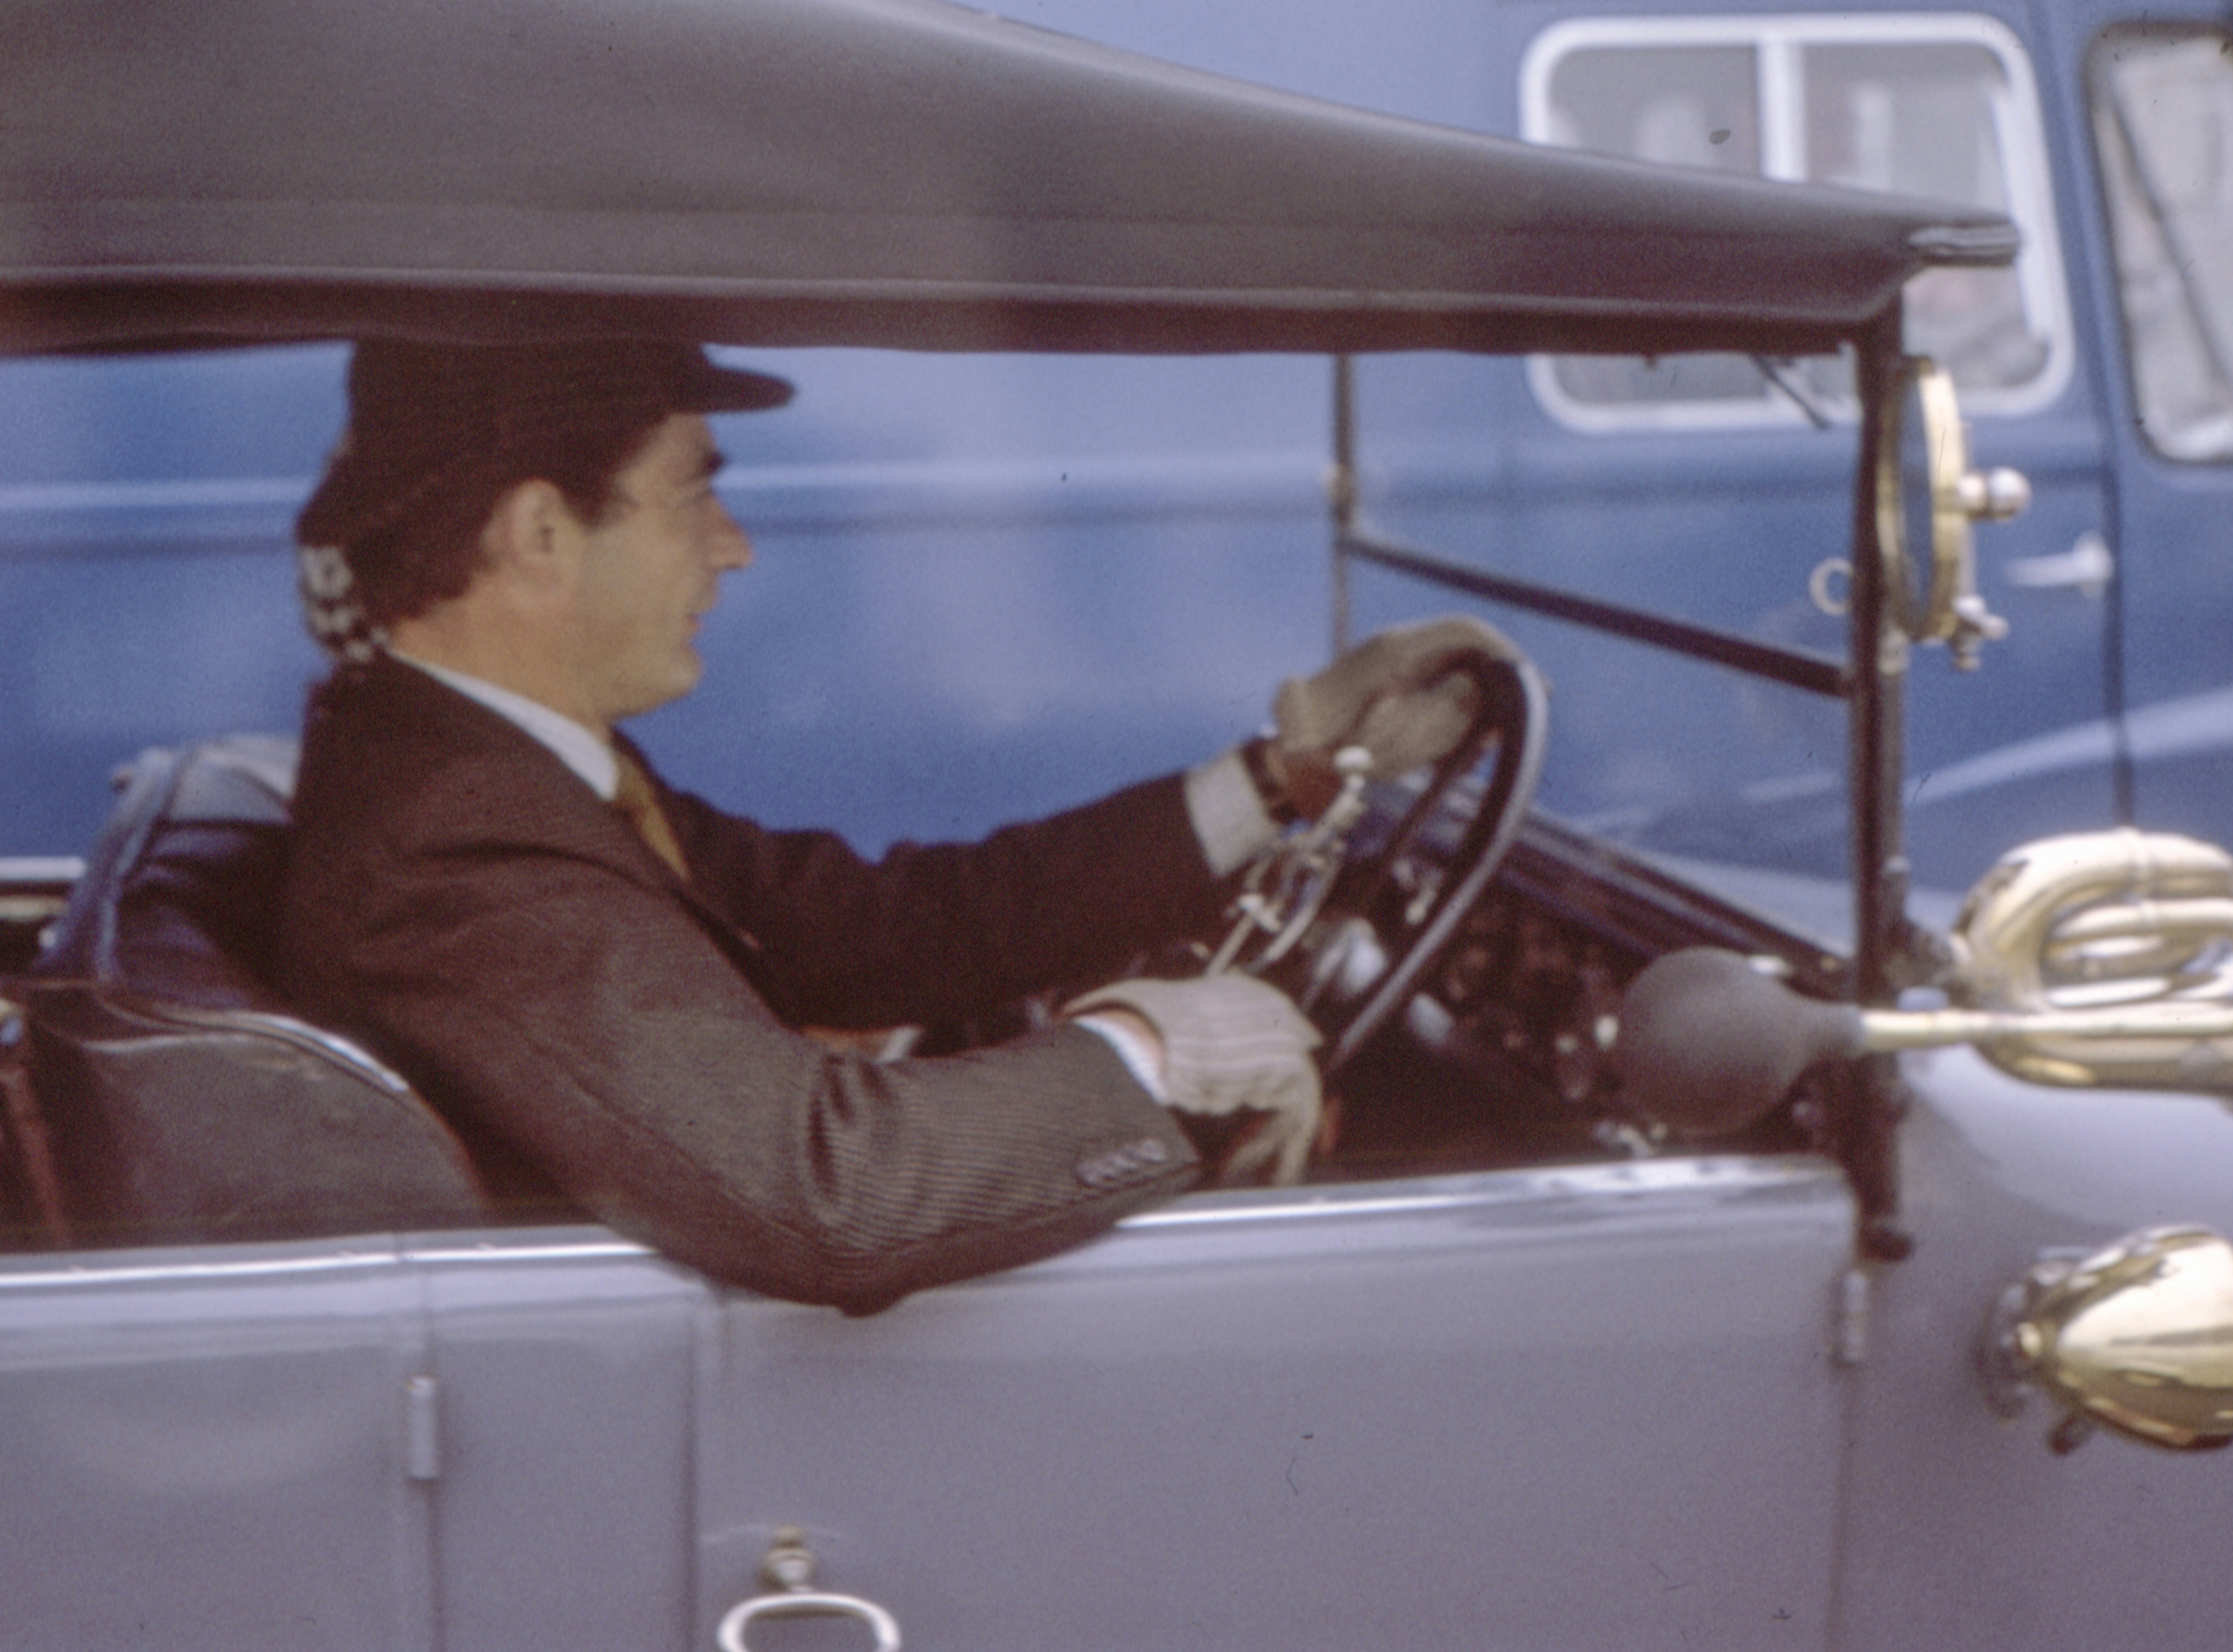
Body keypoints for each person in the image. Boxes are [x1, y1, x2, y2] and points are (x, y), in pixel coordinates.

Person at [278, 337, 1512, 1313]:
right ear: (542, 536)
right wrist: (1145, 1051)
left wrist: (1278, 779)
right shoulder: (454, 834)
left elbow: (880, 928)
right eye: (696, 494)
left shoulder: (502, 766)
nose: (736, 547)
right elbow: (830, 1192)